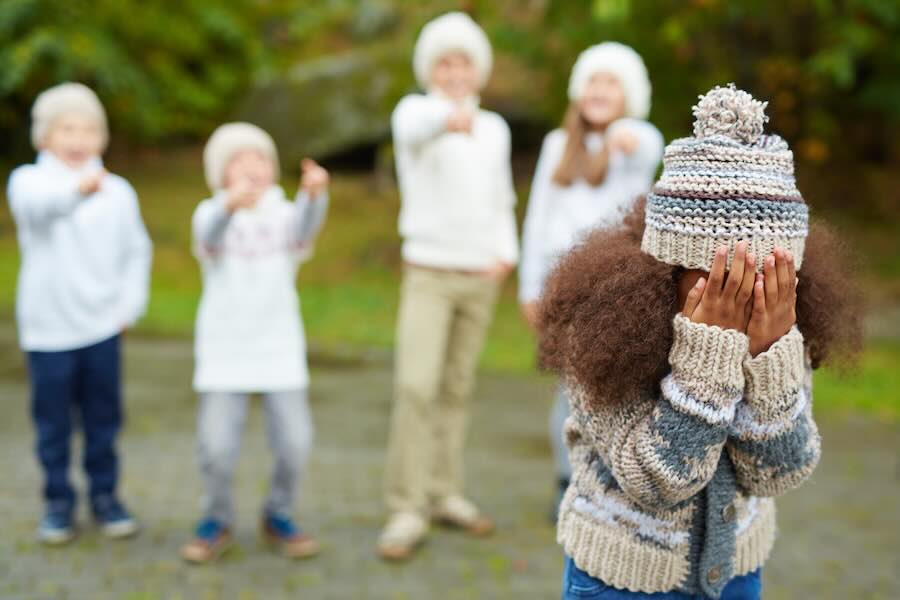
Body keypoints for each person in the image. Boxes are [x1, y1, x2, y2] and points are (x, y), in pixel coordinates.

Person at [538, 85, 863, 599]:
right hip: (621, 579)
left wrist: (770, 353)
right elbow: (658, 480)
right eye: (719, 273)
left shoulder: (778, 327)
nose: (743, 292)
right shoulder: (602, 331)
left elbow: (781, 472)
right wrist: (707, 356)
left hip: (736, 574)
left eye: (764, 275)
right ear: (666, 266)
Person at [378, 12, 519, 560]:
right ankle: (405, 508)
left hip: (478, 275)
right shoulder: (415, 113)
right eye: (445, 62)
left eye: (464, 62)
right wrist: (447, 120)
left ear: (477, 70)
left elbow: (500, 197)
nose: (455, 72)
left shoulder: (496, 129)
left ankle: (443, 492)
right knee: (417, 387)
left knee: (457, 389)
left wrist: (505, 255)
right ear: (430, 68)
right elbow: (419, 130)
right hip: (429, 274)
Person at [518, 43, 663, 517]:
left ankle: (612, 476)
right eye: (593, 82)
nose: (600, 91)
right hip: (565, 289)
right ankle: (568, 478)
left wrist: (627, 135)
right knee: (567, 389)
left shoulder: (634, 141)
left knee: (612, 386)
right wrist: (529, 287)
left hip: (616, 291)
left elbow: (647, 145)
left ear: (628, 96)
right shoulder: (558, 147)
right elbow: (538, 217)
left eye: (611, 83)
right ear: (578, 91)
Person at [7, 82, 152, 545]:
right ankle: (57, 501)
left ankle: (106, 497)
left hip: (101, 328)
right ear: (45, 136)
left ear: (102, 136)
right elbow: (40, 211)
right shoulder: (28, 181)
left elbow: (136, 250)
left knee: (103, 420)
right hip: (48, 330)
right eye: (67, 127)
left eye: (89, 128)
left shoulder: (120, 192)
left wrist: (129, 306)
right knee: (52, 424)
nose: (78, 138)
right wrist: (78, 192)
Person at [180, 123, 328, 563]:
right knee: (217, 447)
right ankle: (217, 518)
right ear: (220, 173)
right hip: (225, 350)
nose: (251, 168)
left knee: (295, 442)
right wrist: (229, 205)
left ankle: (277, 513)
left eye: (260, 158)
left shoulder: (285, 216)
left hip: (279, 347)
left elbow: (307, 225)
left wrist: (316, 194)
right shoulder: (208, 213)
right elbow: (209, 234)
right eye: (239, 160)